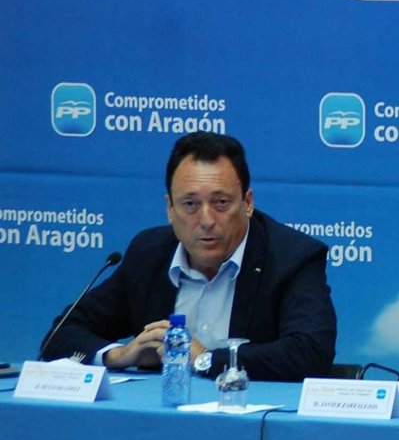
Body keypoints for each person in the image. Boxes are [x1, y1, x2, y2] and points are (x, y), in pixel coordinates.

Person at [40, 132, 336, 382]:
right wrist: (117, 355)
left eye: (221, 202)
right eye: (190, 204)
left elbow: (310, 353)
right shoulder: (149, 253)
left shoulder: (292, 258)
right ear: (170, 209)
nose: (206, 220)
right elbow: (61, 335)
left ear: (247, 203)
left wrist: (206, 359)